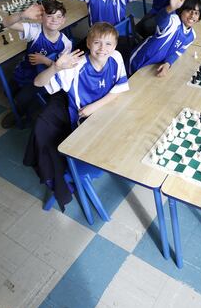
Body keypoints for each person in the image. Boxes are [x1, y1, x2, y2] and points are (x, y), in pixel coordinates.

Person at [25, 22, 129, 209]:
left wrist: (94, 107)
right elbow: (38, 83)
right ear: (88, 43)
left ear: (114, 46)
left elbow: (118, 90)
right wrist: (56, 67)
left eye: (108, 44)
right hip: (83, 123)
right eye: (97, 43)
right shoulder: (76, 66)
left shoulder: (116, 57)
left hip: (102, 112)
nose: (103, 49)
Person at [0, 0, 71, 129]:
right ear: (41, 18)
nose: (54, 20)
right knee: (7, 92)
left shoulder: (66, 43)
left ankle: (23, 115)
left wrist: (45, 60)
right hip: (24, 71)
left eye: (58, 17)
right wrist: (22, 15)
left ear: (63, 20)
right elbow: (5, 23)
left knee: (22, 99)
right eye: (49, 16)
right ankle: (23, 107)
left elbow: (62, 69)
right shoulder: (35, 30)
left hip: (44, 78)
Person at [129, 0, 201, 75]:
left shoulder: (192, 36)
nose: (192, 15)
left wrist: (168, 63)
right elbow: (161, 20)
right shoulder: (174, 21)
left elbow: (177, 52)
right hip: (140, 59)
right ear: (181, 11)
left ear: (199, 18)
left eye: (196, 13)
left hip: (153, 67)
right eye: (188, 11)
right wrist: (170, 8)